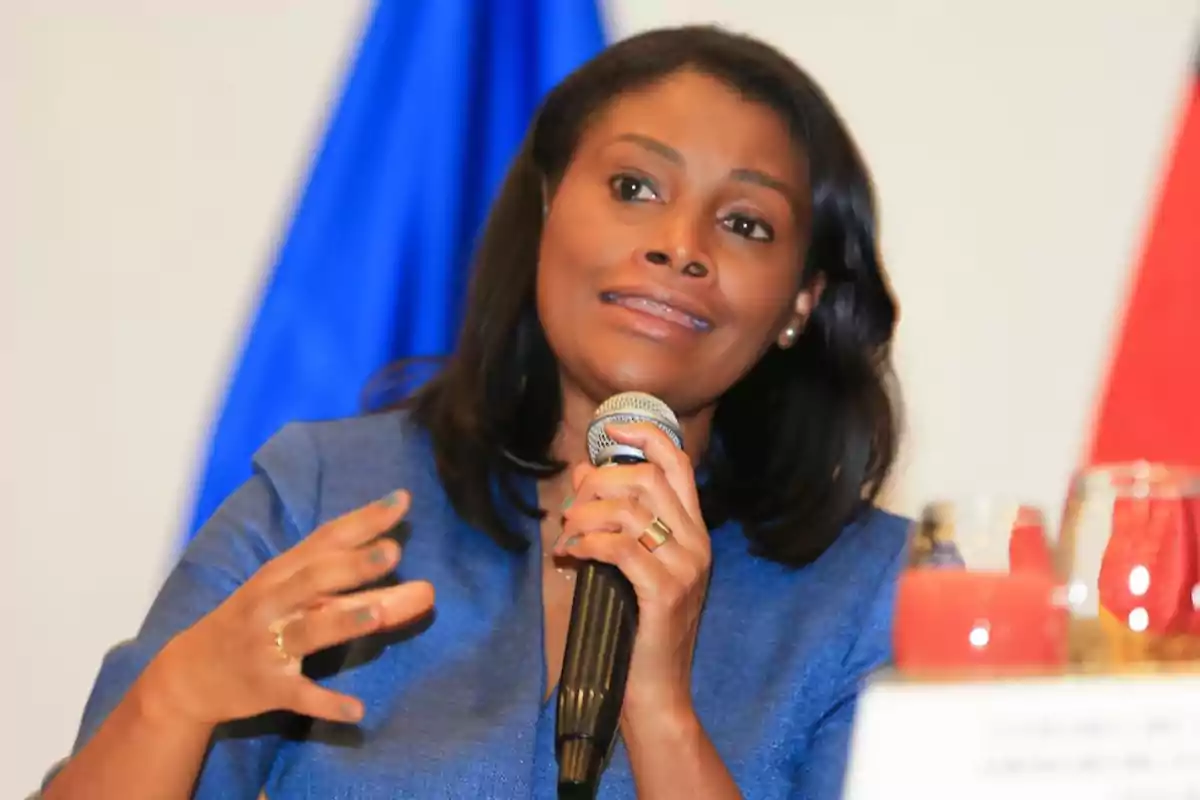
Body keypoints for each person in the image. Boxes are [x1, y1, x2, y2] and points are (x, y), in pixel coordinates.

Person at [40, 24, 907, 800]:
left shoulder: (873, 595)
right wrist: (175, 701)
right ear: (545, 210)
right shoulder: (327, 493)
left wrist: (659, 710)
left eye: (747, 224)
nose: (679, 246)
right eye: (636, 187)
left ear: (802, 300)